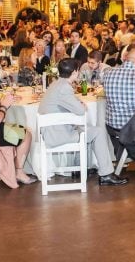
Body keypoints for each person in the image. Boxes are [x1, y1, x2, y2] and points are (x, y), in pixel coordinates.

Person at [38, 58, 127, 186]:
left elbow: (71, 104)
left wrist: (78, 104)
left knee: (86, 128)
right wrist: (81, 106)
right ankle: (106, 174)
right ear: (75, 72)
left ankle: (81, 166)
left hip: (52, 131)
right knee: (98, 131)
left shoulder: (56, 84)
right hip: (57, 134)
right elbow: (80, 110)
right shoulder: (64, 88)